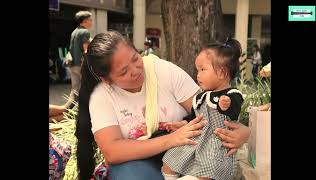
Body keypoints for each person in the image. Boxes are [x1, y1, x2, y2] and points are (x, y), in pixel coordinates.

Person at [75, 31, 251, 180]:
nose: (136, 70)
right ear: (107, 80)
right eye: (124, 72)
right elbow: (113, 151)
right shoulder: (101, 96)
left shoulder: (162, 70)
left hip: (188, 153)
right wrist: (171, 139)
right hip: (138, 164)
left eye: (135, 58)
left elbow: (207, 112)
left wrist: (243, 132)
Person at [162, 38, 244, 180]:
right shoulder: (201, 97)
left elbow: (234, 110)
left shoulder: (232, 95)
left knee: (207, 172)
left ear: (222, 73)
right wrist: (183, 124)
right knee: (169, 161)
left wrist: (227, 104)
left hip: (216, 144)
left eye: (202, 69)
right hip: (197, 140)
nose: (198, 74)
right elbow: (195, 116)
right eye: (197, 70)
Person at [65, 11, 92, 110]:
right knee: (88, 88)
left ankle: (66, 110)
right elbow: (86, 49)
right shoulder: (85, 32)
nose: (91, 22)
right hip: (81, 65)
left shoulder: (74, 32)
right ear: (85, 21)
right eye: (90, 20)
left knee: (75, 89)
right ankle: (84, 111)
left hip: (73, 65)